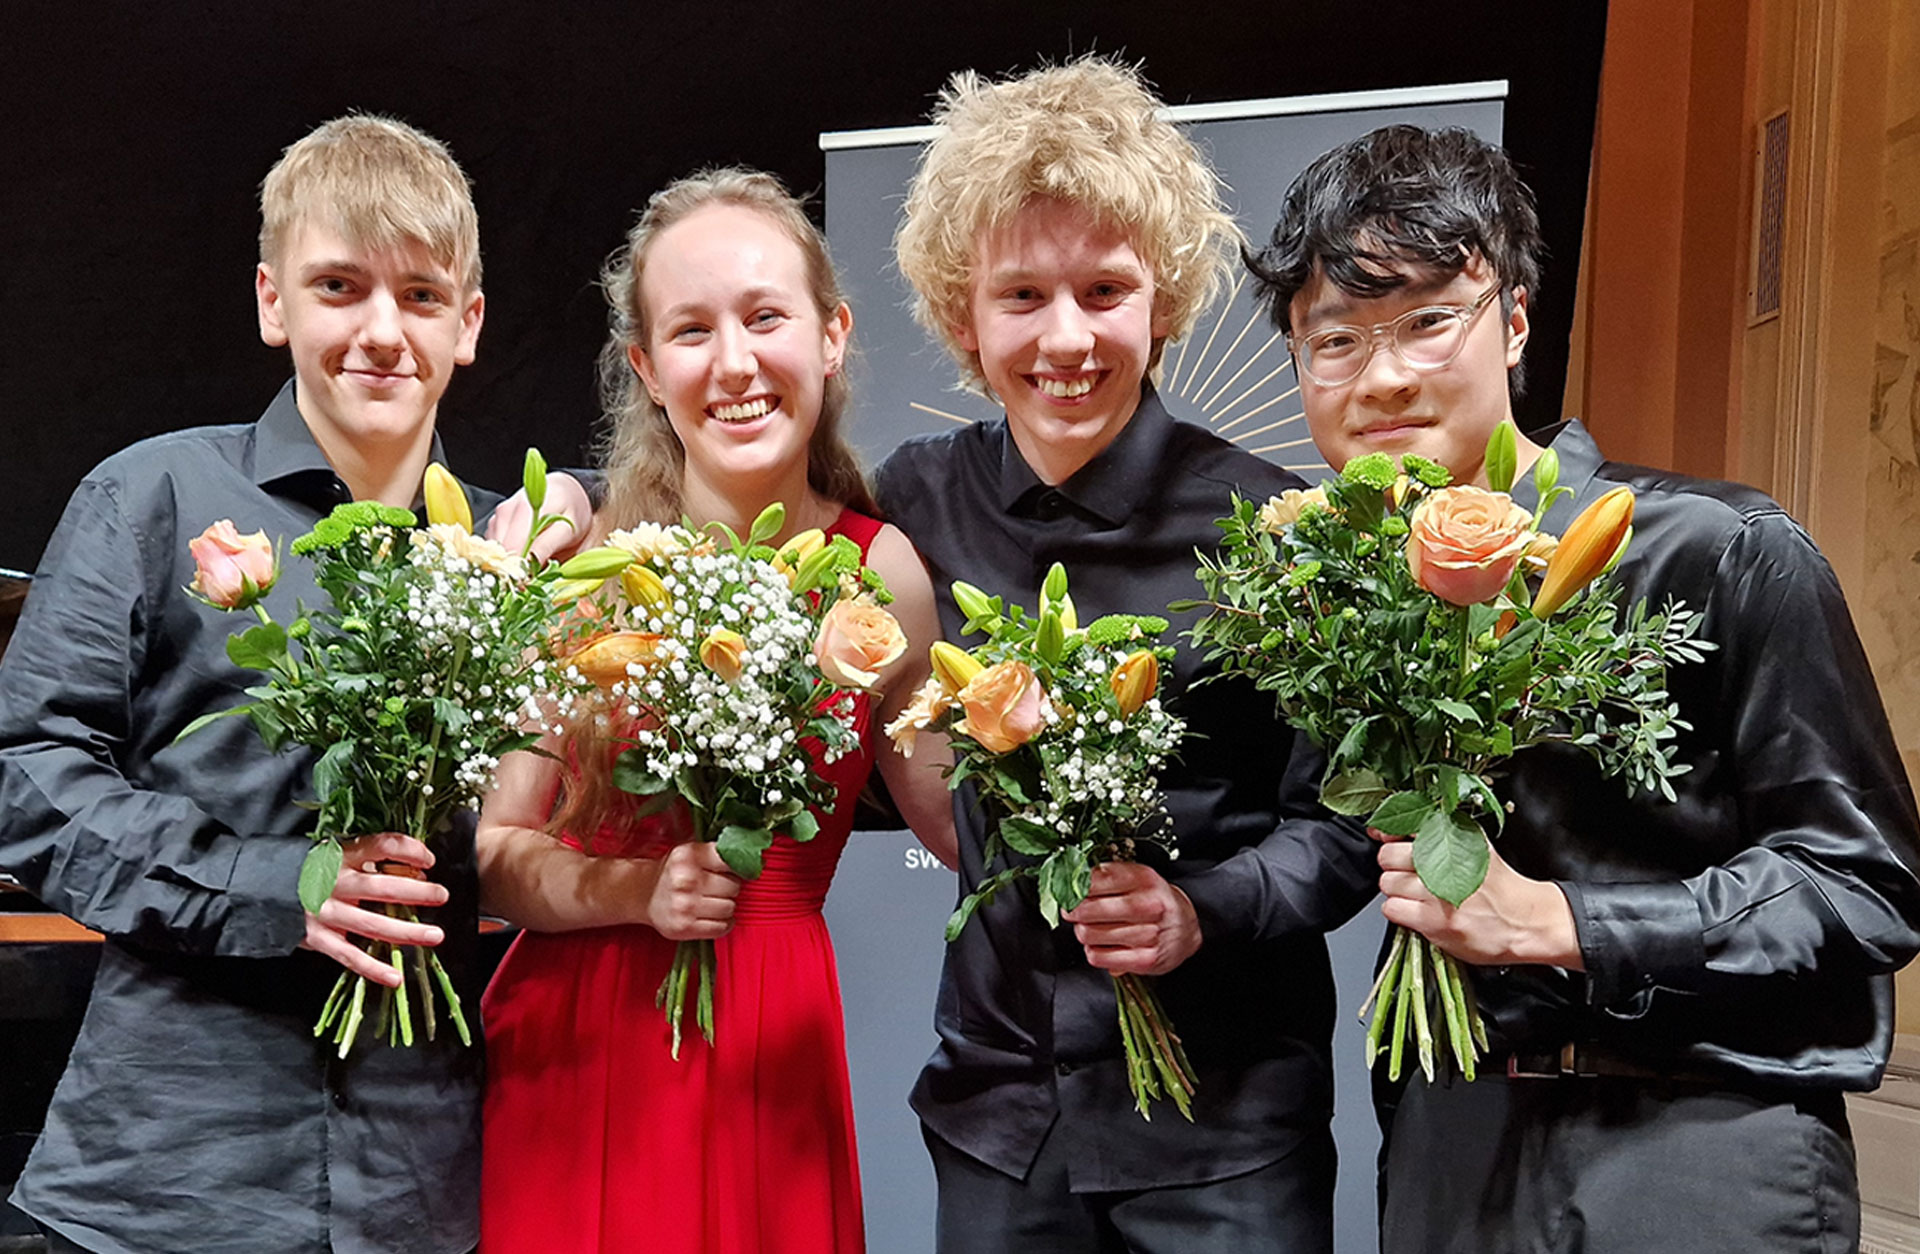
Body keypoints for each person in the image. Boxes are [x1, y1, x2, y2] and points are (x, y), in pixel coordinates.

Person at [1245, 122, 1920, 1253]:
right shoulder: (1336, 595)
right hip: (1450, 1134)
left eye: (1425, 321)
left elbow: (1862, 886)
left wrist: (1562, 921)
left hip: (1699, 1133)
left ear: (1512, 321)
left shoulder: (1720, 548)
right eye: (1335, 340)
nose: (1383, 376)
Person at [0, 115, 592, 1254]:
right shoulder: (154, 494)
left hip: (426, 1187)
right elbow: (24, 774)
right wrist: (281, 887)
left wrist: (581, 497)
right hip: (162, 1187)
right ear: (274, 302)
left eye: (421, 295)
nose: (382, 331)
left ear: (468, 325)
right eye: (339, 286)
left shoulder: (512, 566)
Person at [875, 59, 1378, 1252]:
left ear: (1164, 301)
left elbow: (1348, 828)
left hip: (1226, 1135)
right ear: (963, 316)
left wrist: (1202, 909)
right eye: (1022, 296)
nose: (1066, 338)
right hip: (1002, 1128)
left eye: (1104, 289)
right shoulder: (911, 502)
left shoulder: (1271, 531)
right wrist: (576, 511)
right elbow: (723, 510)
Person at [474, 167, 954, 1254]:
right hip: (580, 1044)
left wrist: (1083, 791)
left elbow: (950, 823)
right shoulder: (582, 565)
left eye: (765, 317)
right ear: (646, 367)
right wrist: (635, 890)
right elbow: (496, 853)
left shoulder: (888, 575)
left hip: (770, 1040)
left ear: (831, 335)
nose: (734, 363)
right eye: (690, 330)